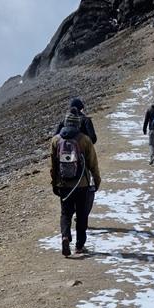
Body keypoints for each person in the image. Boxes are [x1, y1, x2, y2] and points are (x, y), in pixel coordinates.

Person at [50, 109, 101, 257]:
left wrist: (54, 184)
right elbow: (93, 164)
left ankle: (65, 237)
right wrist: (96, 181)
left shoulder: (56, 140)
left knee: (65, 213)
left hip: (64, 185)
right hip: (82, 184)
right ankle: (79, 246)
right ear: (78, 124)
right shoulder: (85, 140)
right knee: (82, 214)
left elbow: (53, 166)